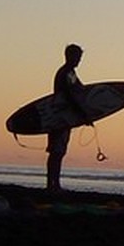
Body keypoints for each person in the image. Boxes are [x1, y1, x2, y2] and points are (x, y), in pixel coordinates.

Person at [46, 43, 87, 192]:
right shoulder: (64, 73)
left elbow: (80, 90)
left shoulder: (71, 73)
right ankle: (52, 184)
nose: (79, 60)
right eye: (78, 57)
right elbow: (70, 96)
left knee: (60, 152)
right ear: (70, 56)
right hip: (59, 117)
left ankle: (54, 183)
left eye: (80, 57)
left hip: (65, 117)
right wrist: (83, 114)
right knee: (56, 151)